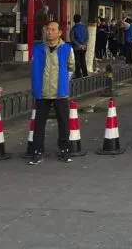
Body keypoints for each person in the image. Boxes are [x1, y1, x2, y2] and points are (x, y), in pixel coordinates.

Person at [29, 21, 75, 165]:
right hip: (42, 92)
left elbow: (71, 67)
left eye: (53, 30)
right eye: (48, 29)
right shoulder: (37, 50)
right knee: (39, 124)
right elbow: (33, 67)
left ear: (60, 32)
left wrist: (63, 82)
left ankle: (64, 150)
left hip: (60, 92)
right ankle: (37, 152)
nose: (50, 32)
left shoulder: (67, 49)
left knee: (63, 122)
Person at [70, 14, 88, 79]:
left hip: (76, 48)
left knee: (77, 62)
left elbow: (72, 39)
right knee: (83, 60)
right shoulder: (84, 28)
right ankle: (85, 74)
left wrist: (79, 45)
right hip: (84, 47)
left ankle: (78, 75)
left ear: (74, 20)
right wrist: (83, 45)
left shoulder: (73, 29)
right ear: (80, 20)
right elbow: (87, 38)